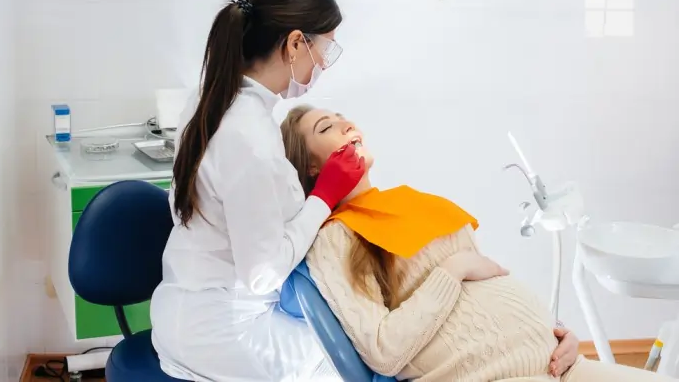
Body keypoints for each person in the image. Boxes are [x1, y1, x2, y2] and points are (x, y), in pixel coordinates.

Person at [280, 105, 678, 382]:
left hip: (561, 364)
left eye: (342, 117)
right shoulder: (334, 239)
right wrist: (455, 269)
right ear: (311, 165)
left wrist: (556, 333)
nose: (346, 124)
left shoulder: (411, 201)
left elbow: (487, 288)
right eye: (326, 127)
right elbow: (384, 350)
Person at [150, 0, 366, 382]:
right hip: (224, 333)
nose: (323, 63)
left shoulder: (213, 98)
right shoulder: (249, 138)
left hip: (184, 310)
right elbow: (262, 273)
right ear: (295, 43)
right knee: (354, 360)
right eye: (325, 49)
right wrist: (324, 195)